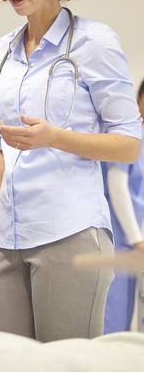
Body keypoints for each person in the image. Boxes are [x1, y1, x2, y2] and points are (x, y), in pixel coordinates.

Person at [0, 0, 142, 342]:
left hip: (70, 234)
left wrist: (54, 137)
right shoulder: (2, 51)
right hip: (9, 240)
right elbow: (0, 151)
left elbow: (130, 144)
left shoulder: (94, 43)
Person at [102, 78, 144, 333]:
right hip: (121, 241)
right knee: (113, 323)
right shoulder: (129, 136)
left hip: (136, 243)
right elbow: (118, 188)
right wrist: (137, 239)